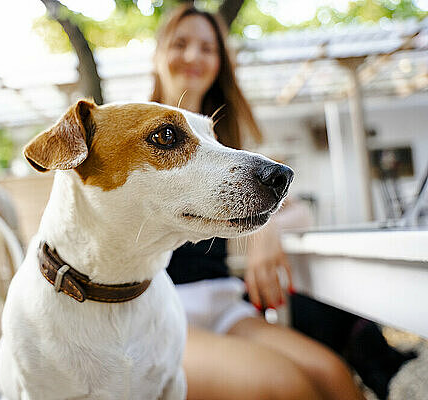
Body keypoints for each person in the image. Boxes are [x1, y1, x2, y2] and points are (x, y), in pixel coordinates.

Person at [151, 5, 366, 399]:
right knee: (287, 385)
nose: (194, 57)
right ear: (159, 53)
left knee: (334, 375)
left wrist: (265, 228)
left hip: (223, 302)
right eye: (181, 44)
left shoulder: (228, 143)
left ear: (220, 62)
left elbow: (297, 208)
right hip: (160, 309)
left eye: (207, 48)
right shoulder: (138, 135)